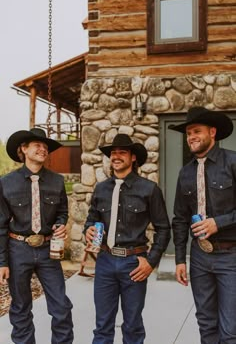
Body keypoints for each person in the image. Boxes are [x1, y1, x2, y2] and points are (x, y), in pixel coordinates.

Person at [84, 133, 170, 344]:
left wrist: (151, 262)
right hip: (105, 262)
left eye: (122, 152)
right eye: (113, 153)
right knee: (102, 326)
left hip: (134, 263)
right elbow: (91, 219)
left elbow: (163, 228)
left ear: (133, 158)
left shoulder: (149, 189)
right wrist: (88, 230)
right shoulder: (101, 188)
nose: (116, 156)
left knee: (132, 326)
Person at [0, 128, 74, 344]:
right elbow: (1, 224)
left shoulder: (57, 181)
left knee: (61, 306)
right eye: (37, 145)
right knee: (21, 307)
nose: (43, 149)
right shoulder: (5, 183)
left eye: (45, 146)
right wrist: (2, 261)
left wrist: (60, 225)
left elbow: (62, 212)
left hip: (48, 251)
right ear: (23, 149)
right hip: (18, 250)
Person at [169, 106, 236, 343]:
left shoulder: (233, 162)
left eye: (196, 131)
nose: (191, 137)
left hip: (231, 256)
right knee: (206, 325)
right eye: (188, 133)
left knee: (230, 331)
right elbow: (179, 219)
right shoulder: (185, 173)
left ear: (213, 133)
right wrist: (179, 259)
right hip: (199, 257)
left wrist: (219, 223)